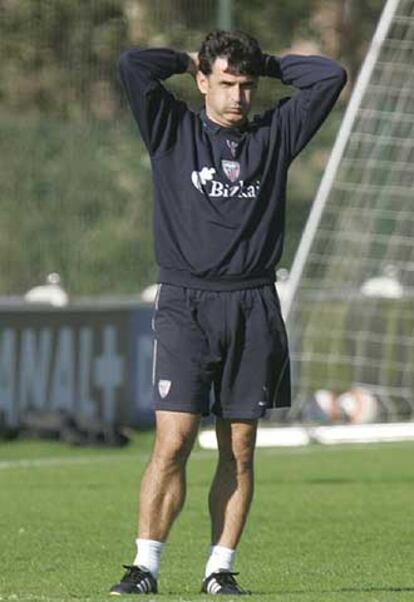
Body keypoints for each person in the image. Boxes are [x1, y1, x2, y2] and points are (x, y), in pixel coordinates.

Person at [111, 30, 346, 596]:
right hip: (185, 303)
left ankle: (219, 568)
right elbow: (132, 66)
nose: (238, 96)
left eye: (246, 86)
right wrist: (187, 57)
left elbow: (330, 76)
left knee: (240, 447)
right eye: (226, 83)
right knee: (174, 439)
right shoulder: (172, 130)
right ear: (202, 82)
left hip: (253, 304)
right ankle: (146, 565)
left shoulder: (276, 133)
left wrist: (263, 63)